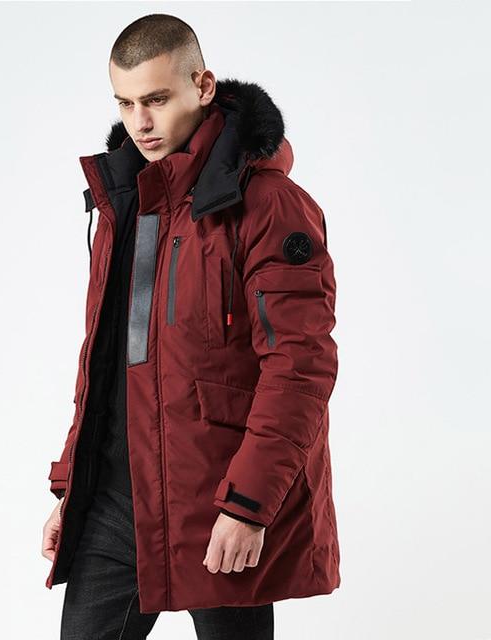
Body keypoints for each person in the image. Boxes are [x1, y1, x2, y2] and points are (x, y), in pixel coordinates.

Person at [42, 13, 340, 640]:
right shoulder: (126, 200)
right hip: (116, 505)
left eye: (156, 99)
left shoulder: (267, 205)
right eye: (125, 103)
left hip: (218, 496)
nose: (140, 123)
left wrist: (249, 504)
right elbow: (104, 360)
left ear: (203, 86)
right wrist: (74, 488)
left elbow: (299, 366)